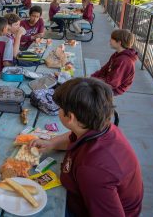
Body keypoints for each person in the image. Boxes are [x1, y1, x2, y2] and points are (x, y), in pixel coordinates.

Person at [29, 78, 143, 216]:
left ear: (70, 117)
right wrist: (52, 143)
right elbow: (75, 135)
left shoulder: (93, 169)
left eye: (60, 108)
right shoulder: (102, 126)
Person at [91, 29, 138, 95]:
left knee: (85, 91)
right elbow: (105, 69)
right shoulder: (117, 54)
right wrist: (92, 76)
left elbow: (112, 83)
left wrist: (93, 81)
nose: (110, 40)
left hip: (114, 89)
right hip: (108, 80)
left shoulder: (124, 61)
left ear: (119, 42)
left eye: (112, 39)